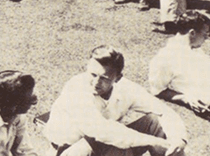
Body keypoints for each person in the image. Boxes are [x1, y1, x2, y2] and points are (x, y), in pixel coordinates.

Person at [45, 45, 188, 156]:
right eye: (93, 74)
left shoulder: (125, 87)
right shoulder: (75, 88)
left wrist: (179, 139)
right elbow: (101, 131)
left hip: (105, 142)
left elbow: (163, 111)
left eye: (104, 78)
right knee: (117, 144)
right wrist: (154, 142)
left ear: (117, 78)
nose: (96, 82)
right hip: (69, 150)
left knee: (153, 122)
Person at [149, 11, 210, 116]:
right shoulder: (166, 58)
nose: (206, 39)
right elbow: (157, 90)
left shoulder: (194, 47)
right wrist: (186, 99)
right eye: (205, 35)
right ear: (192, 33)